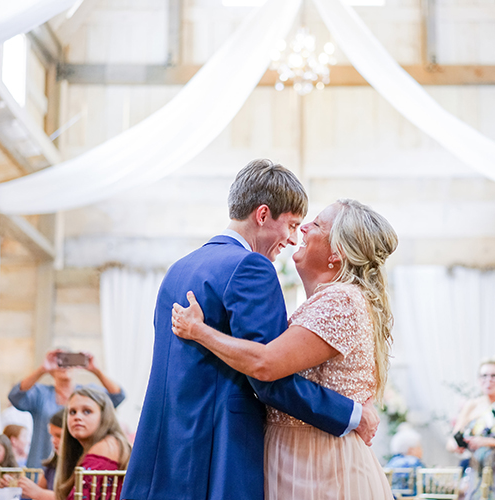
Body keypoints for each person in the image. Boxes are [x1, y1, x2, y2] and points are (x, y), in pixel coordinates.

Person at [122, 160, 379, 500]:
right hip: (218, 448)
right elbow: (268, 375)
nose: (291, 238)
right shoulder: (251, 267)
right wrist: (351, 414)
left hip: (164, 446)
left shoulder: (180, 268)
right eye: (290, 225)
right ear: (262, 215)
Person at [172, 199, 397, 499]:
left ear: (337, 254)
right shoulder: (333, 300)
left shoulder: (340, 301)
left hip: (319, 464)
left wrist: (199, 331)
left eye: (315, 225)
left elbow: (266, 365)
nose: (303, 228)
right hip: (301, 455)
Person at [8, 349, 125, 468]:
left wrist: (96, 370)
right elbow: (15, 396)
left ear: (77, 366)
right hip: (43, 463)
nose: (64, 366)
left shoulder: (87, 394)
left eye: (69, 360)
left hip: (77, 464)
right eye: (60, 361)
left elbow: (117, 397)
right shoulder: (41, 394)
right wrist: (42, 369)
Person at [447, 360, 495, 499]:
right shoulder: (471, 406)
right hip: (475, 473)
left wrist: (489, 442)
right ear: (478, 379)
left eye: (494, 376)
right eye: (484, 376)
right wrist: (459, 445)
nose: (489, 380)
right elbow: (451, 441)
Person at [55, 387, 130, 500]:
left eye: (87, 411)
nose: (77, 417)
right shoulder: (113, 443)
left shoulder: (105, 448)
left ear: (104, 416)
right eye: (72, 412)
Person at [11, 409, 64, 500]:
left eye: (59, 436)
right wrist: (16, 487)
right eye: (52, 435)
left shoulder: (82, 467)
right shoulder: (51, 467)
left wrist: (39, 493)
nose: (53, 440)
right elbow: (36, 494)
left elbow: (72, 497)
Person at [386, 424, 424, 495]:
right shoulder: (414, 462)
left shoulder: (392, 462)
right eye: (419, 447)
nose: (422, 450)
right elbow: (426, 484)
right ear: (411, 449)